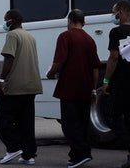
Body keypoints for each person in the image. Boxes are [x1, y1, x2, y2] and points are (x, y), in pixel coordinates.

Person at [46, 9, 100, 168]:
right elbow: (95, 67)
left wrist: (51, 73)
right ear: (84, 23)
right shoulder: (90, 40)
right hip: (86, 88)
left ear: (69, 21)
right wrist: (94, 89)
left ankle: (82, 153)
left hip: (69, 88)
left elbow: (60, 60)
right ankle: (75, 155)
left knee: (69, 124)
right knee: (82, 123)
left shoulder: (65, 36)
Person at [101, 0, 130, 168]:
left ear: (120, 12)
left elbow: (114, 57)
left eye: (114, 12)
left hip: (120, 82)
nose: (113, 15)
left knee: (111, 116)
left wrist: (106, 80)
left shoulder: (116, 32)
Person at [0, 9, 43, 165]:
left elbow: (9, 58)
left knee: (2, 119)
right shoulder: (30, 36)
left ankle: (13, 147)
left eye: (5, 20)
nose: (4, 23)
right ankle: (29, 155)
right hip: (32, 84)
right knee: (26, 122)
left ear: (11, 21)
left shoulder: (12, 35)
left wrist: (1, 79)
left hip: (16, 85)